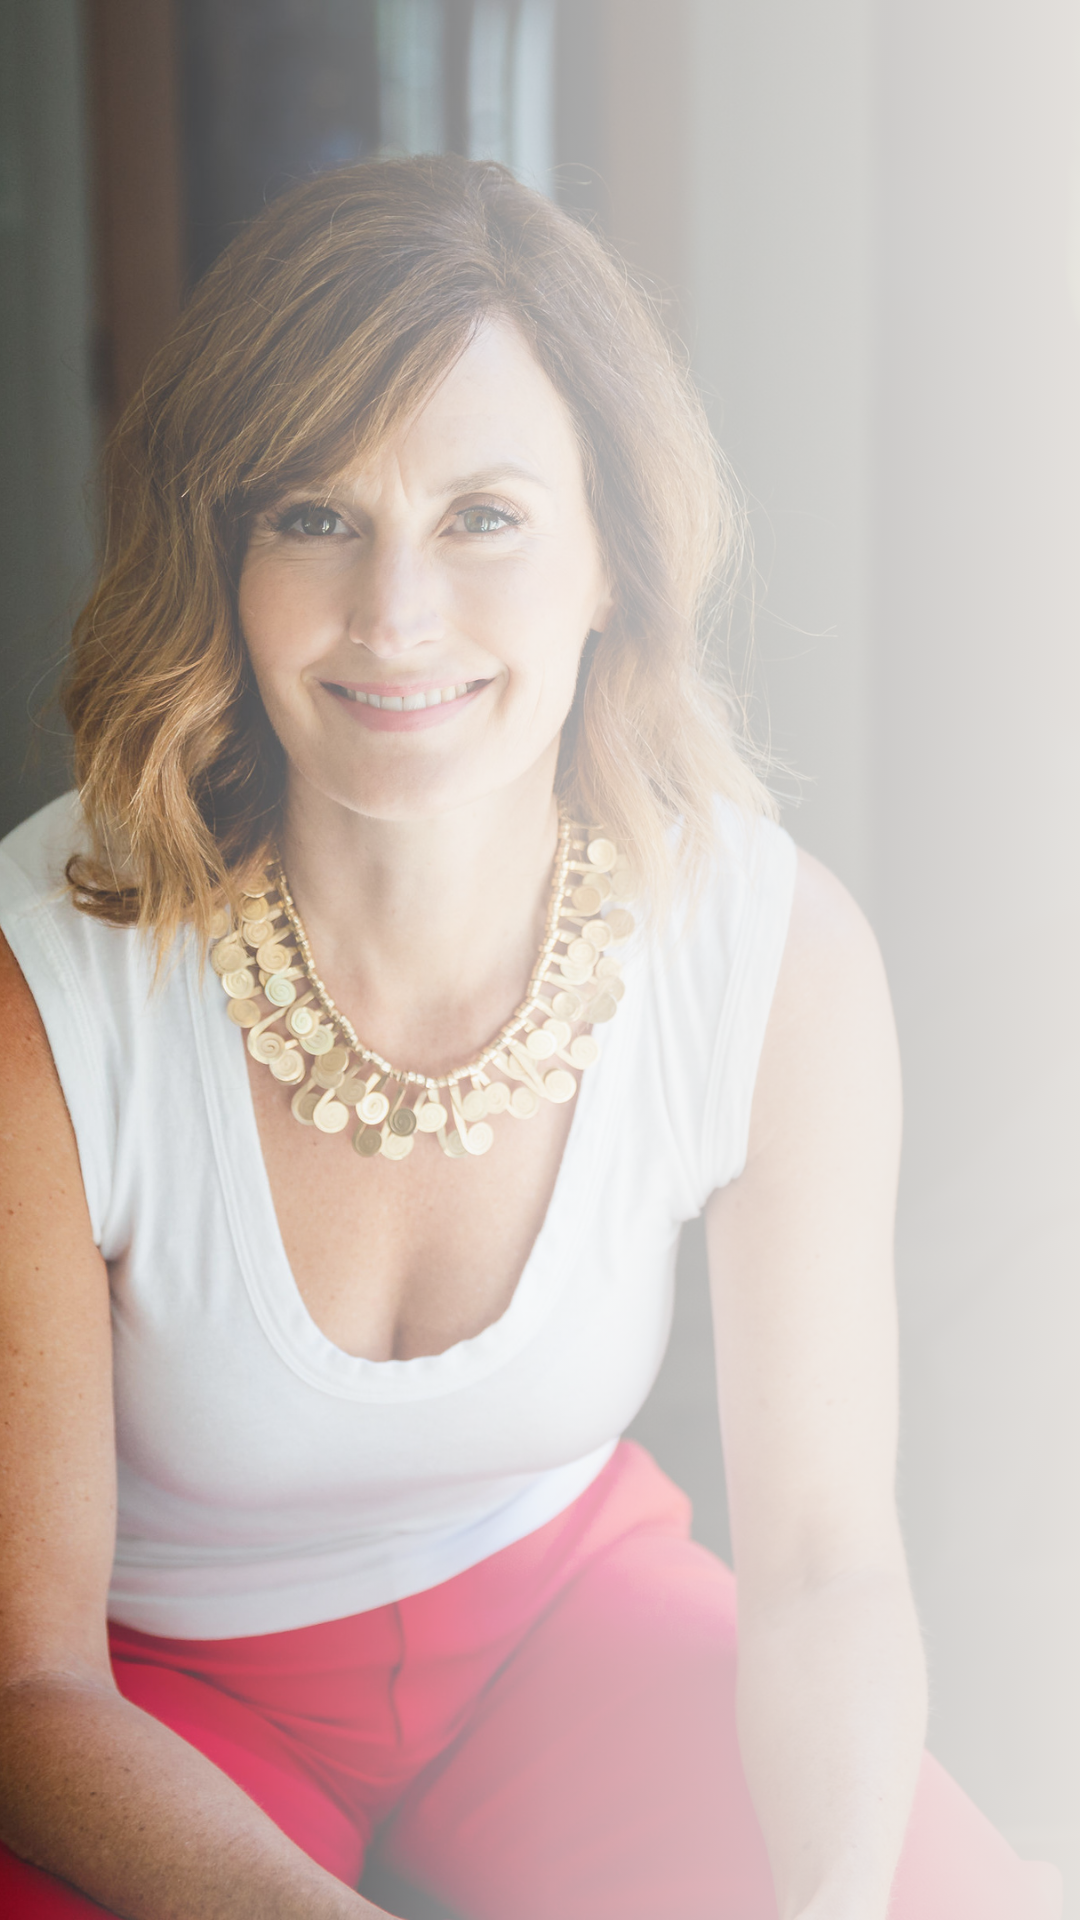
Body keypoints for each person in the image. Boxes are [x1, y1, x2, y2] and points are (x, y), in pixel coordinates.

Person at [0, 155, 1061, 1920]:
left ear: (607, 561)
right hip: (154, 1697)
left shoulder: (772, 951)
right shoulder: (50, 975)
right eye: (313, 517)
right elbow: (30, 1683)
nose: (394, 618)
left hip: (565, 1618)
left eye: (482, 516)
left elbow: (819, 1570)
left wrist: (841, 1904)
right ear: (225, 557)